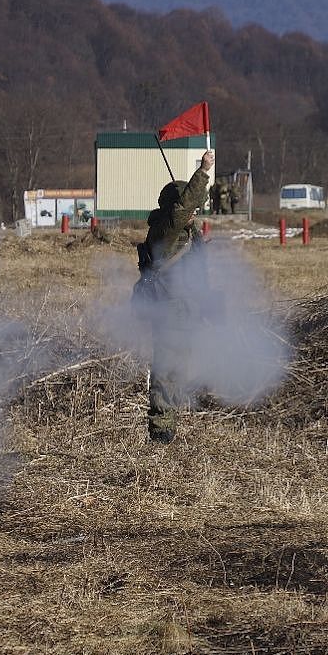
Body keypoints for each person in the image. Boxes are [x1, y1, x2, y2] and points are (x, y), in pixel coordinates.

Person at [133, 149, 214, 444]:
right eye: (189, 206)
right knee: (167, 370)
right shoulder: (164, 231)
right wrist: (204, 171)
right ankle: (160, 434)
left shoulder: (183, 233)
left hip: (184, 312)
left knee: (179, 370)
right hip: (169, 313)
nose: (194, 212)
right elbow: (184, 208)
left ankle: (169, 426)